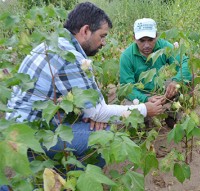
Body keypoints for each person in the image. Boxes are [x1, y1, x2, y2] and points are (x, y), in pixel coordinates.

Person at [5, 3, 163, 169]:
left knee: (98, 122)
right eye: (102, 36)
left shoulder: (53, 44)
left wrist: (94, 115)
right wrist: (145, 109)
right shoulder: (71, 56)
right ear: (85, 30)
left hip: (20, 129)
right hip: (29, 137)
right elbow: (99, 111)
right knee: (105, 137)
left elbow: (90, 108)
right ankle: (68, 181)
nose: (103, 43)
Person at [119, 18, 192, 126]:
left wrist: (176, 81)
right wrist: (146, 99)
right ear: (134, 38)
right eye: (142, 41)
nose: (147, 45)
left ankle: (172, 115)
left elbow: (184, 63)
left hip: (163, 92)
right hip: (141, 96)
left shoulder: (164, 46)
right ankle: (148, 119)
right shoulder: (126, 56)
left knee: (187, 80)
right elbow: (127, 87)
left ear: (156, 36)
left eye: (150, 39)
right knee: (129, 115)